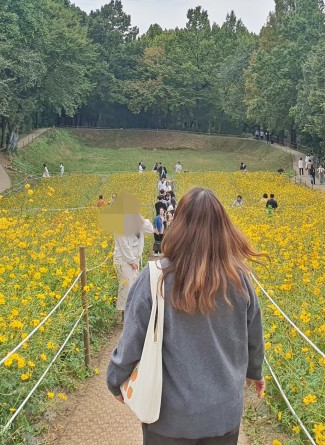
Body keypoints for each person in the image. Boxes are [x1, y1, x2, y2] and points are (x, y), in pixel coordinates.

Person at [108, 187, 266, 444]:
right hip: (223, 416)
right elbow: (254, 338)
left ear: (178, 224)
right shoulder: (240, 279)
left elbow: (131, 341)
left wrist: (115, 380)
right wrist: (255, 372)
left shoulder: (155, 278)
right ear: (223, 228)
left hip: (168, 417)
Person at [113, 211, 154, 318]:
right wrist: (131, 261)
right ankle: (126, 315)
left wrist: (142, 219)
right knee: (127, 286)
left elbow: (150, 229)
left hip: (134, 261)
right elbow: (123, 245)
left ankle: (129, 314)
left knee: (133, 286)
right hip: (123, 260)